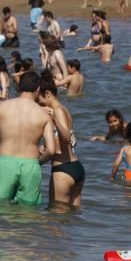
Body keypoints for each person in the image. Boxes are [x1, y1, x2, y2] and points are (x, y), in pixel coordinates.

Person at [0, 71, 58, 205]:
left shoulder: (2, 107)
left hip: (6, 161)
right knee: (28, 214)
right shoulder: (44, 114)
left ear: (19, 86)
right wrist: (38, 163)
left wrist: (0, 152)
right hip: (31, 164)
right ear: (38, 89)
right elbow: (51, 150)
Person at [38, 74, 84, 208]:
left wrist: (55, 120)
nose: (38, 102)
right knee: (73, 217)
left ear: (47, 94)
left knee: (55, 222)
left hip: (63, 170)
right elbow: (62, 139)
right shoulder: (65, 110)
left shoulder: (57, 111)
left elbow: (67, 138)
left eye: (39, 98)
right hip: (76, 167)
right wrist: (46, 146)